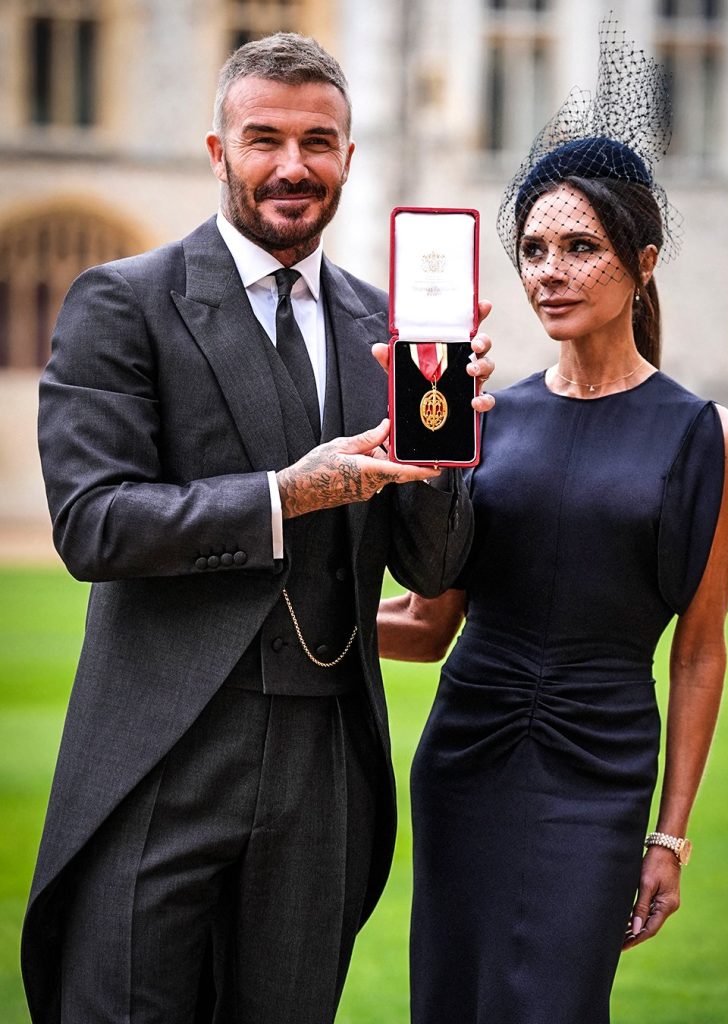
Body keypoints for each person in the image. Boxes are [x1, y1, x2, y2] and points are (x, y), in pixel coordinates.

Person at [22, 32, 495, 1024]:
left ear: (349, 160)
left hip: (324, 761)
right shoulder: (124, 304)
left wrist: (453, 443)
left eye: (318, 142)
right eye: (264, 138)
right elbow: (91, 523)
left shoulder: (390, 322)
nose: (293, 166)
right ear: (218, 151)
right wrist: (288, 494)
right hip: (168, 745)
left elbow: (434, 559)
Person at [378, 22, 728, 1024]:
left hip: (600, 767)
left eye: (580, 247)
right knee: (450, 1002)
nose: (550, 269)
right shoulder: (485, 419)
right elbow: (425, 626)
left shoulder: (713, 438)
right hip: (466, 755)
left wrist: (669, 837)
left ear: (644, 259)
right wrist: (276, 599)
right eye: (535, 249)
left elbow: (702, 651)